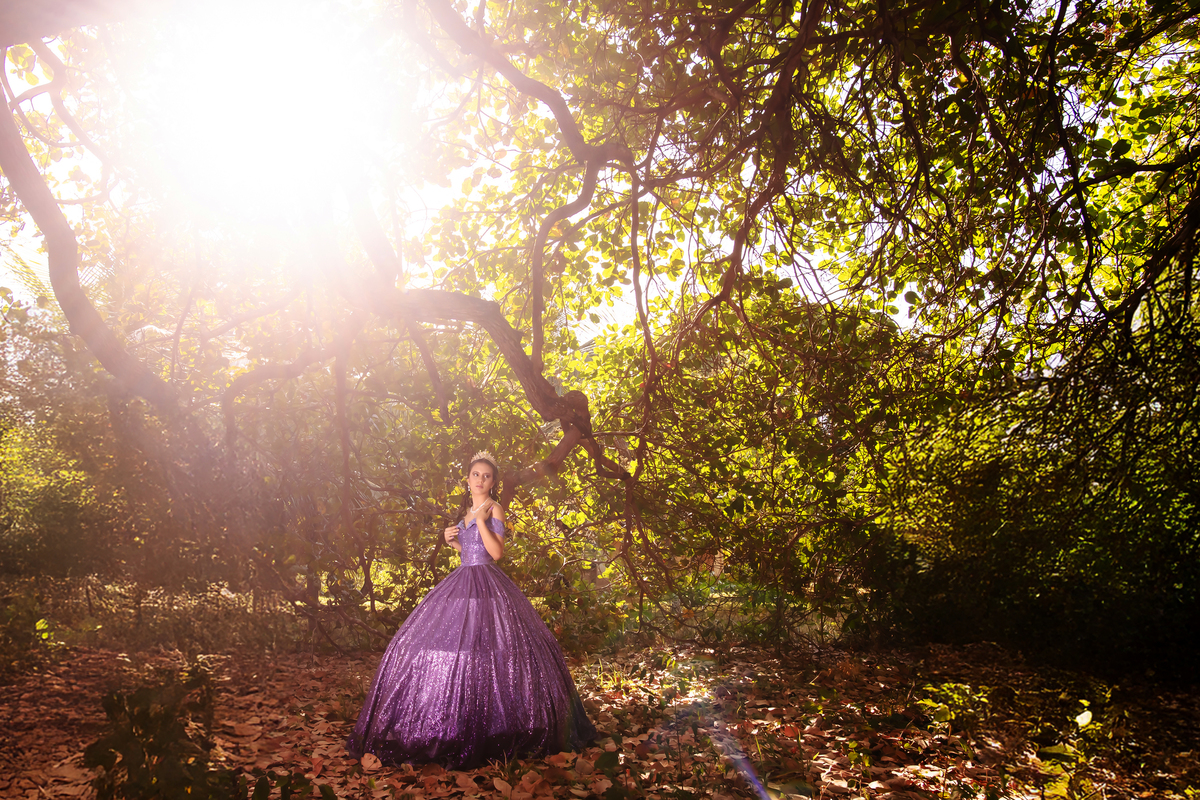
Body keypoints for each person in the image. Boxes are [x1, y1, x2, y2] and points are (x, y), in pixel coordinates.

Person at [346, 450, 597, 769]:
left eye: (487, 475)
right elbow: (468, 551)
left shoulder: (495, 508)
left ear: (493, 482)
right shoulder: (464, 509)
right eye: (476, 474)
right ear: (467, 479)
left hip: (488, 585)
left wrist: (481, 520)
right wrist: (451, 540)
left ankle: (495, 725)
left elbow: (496, 552)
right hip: (463, 583)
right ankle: (461, 724)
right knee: (458, 649)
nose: (480, 479)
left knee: (490, 652)